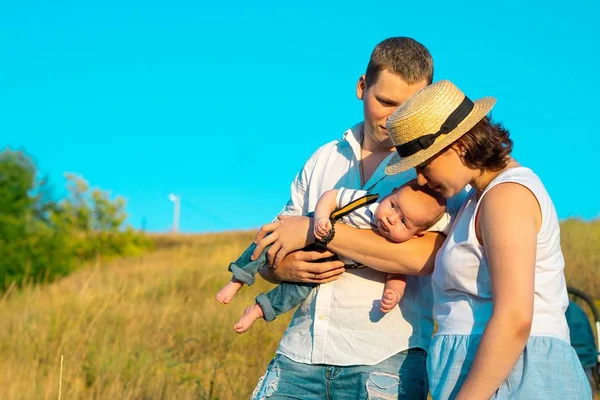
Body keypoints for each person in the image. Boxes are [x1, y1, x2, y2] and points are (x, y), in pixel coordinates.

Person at [248, 37, 466, 400]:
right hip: (301, 353)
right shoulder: (322, 158)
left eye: (409, 106)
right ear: (361, 87)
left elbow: (422, 257)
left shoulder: (433, 169)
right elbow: (273, 249)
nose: (396, 117)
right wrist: (282, 269)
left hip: (385, 357)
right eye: (385, 102)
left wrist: (317, 231)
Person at [381, 80, 591, 399]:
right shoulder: (476, 199)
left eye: (424, 165)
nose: (420, 178)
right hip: (489, 372)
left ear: (460, 145)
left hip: (517, 377)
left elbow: (515, 317)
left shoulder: (507, 196)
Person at [217, 180, 449, 334]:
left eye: (403, 222)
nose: (390, 218)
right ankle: (237, 279)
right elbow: (332, 196)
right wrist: (318, 219)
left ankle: (258, 310)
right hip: (316, 226)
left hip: (322, 262)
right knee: (267, 240)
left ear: (417, 234)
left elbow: (398, 272)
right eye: (393, 206)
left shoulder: (396, 244)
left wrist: (393, 292)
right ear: (391, 193)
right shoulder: (364, 202)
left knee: (298, 290)